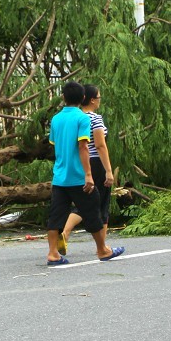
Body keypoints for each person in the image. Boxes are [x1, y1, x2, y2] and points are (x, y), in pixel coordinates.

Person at [45, 81, 124, 266]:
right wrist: (88, 174)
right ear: (82, 98)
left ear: (63, 97)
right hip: (78, 176)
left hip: (59, 176)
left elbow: (55, 146)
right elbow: (83, 146)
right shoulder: (83, 119)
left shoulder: (56, 119)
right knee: (93, 212)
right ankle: (103, 250)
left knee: (56, 216)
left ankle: (52, 254)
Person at [60, 84, 114, 252]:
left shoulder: (74, 118)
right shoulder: (94, 118)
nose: (99, 101)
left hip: (80, 163)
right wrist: (109, 171)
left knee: (83, 201)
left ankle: (65, 232)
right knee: (102, 202)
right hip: (96, 162)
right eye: (99, 98)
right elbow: (100, 145)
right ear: (91, 100)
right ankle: (102, 246)